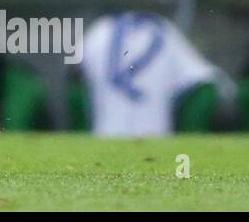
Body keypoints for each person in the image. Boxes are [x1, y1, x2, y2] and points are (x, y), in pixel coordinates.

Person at [79, 12, 222, 137]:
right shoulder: (164, 30)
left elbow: (74, 80)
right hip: (156, 135)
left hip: (106, 134)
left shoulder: (99, 32)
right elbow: (202, 80)